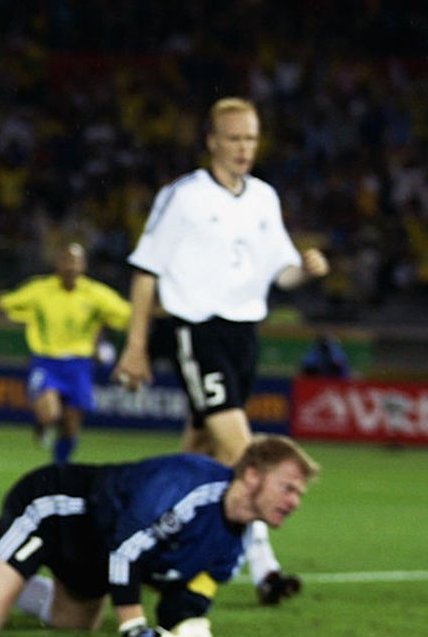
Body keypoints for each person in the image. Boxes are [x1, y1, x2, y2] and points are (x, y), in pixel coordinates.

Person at [113, 97, 330, 606]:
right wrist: (137, 345)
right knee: (242, 451)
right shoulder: (183, 196)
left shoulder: (264, 198)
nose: (243, 148)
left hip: (244, 335)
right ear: (211, 141)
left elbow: (283, 272)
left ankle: (153, 541)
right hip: (198, 331)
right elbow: (146, 269)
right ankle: (264, 568)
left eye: (251, 139)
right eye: (233, 138)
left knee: (200, 455)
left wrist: (308, 269)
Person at [0, 435, 319, 637]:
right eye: (288, 488)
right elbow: (126, 552)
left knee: (73, 623)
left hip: (94, 546)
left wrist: (190, 627)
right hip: (53, 508)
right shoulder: (191, 485)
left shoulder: (234, 540)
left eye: (299, 494)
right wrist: (135, 626)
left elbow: (191, 594)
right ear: (252, 476)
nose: (294, 502)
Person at [0, 242, 131, 463]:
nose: (71, 266)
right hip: (46, 361)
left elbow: (127, 313)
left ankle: (59, 467)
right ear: (58, 264)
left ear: (84, 266)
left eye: (76, 261)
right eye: (67, 260)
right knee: (50, 414)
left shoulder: (96, 294)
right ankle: (42, 425)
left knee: (70, 427)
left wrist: (158, 309)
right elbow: (6, 302)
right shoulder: (40, 289)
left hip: (79, 365)